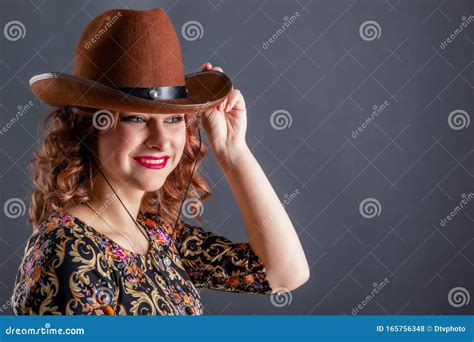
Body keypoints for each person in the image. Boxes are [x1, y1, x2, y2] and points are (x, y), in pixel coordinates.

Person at [11, 8, 309, 315]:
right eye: (136, 118)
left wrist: (232, 149)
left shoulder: (157, 235)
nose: (161, 140)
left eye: (174, 119)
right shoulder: (67, 249)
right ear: (89, 127)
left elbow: (284, 273)